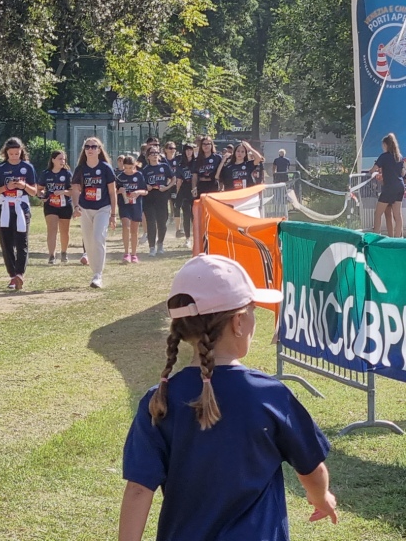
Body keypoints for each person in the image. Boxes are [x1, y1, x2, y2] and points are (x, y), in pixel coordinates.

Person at [119, 254, 338, 541]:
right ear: (238, 322)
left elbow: (138, 489)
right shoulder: (270, 394)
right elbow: (312, 470)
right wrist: (321, 497)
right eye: (253, 310)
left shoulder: (159, 400)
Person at [0, 137, 38, 290]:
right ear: (6, 153)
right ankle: (12, 276)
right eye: (11, 154)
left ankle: (19, 274)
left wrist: (24, 185)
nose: (14, 156)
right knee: (6, 242)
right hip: (4, 206)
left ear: (21, 152)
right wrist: (6, 187)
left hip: (21, 206)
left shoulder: (27, 167)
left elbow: (34, 191)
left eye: (17, 153)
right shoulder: (0, 168)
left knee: (22, 240)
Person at [70, 137, 117, 288]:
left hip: (103, 208)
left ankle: (98, 275)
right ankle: (94, 270)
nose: (90, 149)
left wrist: (113, 215)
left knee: (98, 238)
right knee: (88, 242)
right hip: (85, 208)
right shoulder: (80, 169)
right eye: (87, 147)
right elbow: (75, 189)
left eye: (93, 147)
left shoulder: (105, 168)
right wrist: (76, 207)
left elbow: (112, 192)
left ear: (99, 150)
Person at [37, 150, 73, 265]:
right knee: (52, 229)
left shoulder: (67, 174)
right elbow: (39, 189)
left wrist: (63, 192)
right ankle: (51, 255)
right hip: (50, 205)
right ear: (53, 160)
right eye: (60, 159)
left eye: (64, 159)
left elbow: (73, 191)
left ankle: (64, 252)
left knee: (64, 231)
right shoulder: (46, 174)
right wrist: (41, 196)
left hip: (65, 205)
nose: (62, 161)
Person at [367, 133, 405, 237]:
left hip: (389, 188)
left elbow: (373, 170)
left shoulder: (384, 157)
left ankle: (375, 236)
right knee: (397, 215)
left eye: (383, 145)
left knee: (378, 213)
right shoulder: (399, 157)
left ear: (386, 145)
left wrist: (372, 172)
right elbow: (402, 173)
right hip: (400, 187)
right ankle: (398, 239)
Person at [142, 146, 174, 256]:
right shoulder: (145, 170)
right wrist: (146, 186)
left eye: (156, 153)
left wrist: (167, 187)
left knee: (162, 223)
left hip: (162, 197)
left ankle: (160, 243)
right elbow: (141, 184)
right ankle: (152, 247)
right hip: (149, 199)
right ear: (148, 156)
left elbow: (173, 178)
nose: (155, 155)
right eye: (152, 153)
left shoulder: (164, 166)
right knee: (151, 222)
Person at [115, 156, 146, 264]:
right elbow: (113, 190)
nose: (128, 170)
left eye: (130, 167)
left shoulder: (139, 175)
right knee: (126, 226)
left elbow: (145, 191)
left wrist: (137, 192)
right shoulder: (120, 176)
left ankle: (134, 254)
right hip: (124, 205)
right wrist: (119, 191)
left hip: (136, 205)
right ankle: (126, 253)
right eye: (126, 167)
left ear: (134, 165)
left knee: (134, 230)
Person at [174, 143, 196, 249]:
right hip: (185, 190)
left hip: (196, 190)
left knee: (195, 216)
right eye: (187, 150)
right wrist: (178, 194)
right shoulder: (181, 164)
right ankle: (188, 239)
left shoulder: (196, 162)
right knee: (186, 214)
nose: (189, 152)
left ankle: (197, 237)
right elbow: (179, 181)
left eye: (190, 150)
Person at [163, 142, 182, 238]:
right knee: (163, 208)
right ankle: (162, 229)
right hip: (165, 187)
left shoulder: (178, 159)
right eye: (170, 148)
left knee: (176, 206)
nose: (172, 150)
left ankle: (178, 230)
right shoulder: (162, 160)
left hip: (175, 186)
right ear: (166, 149)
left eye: (174, 148)